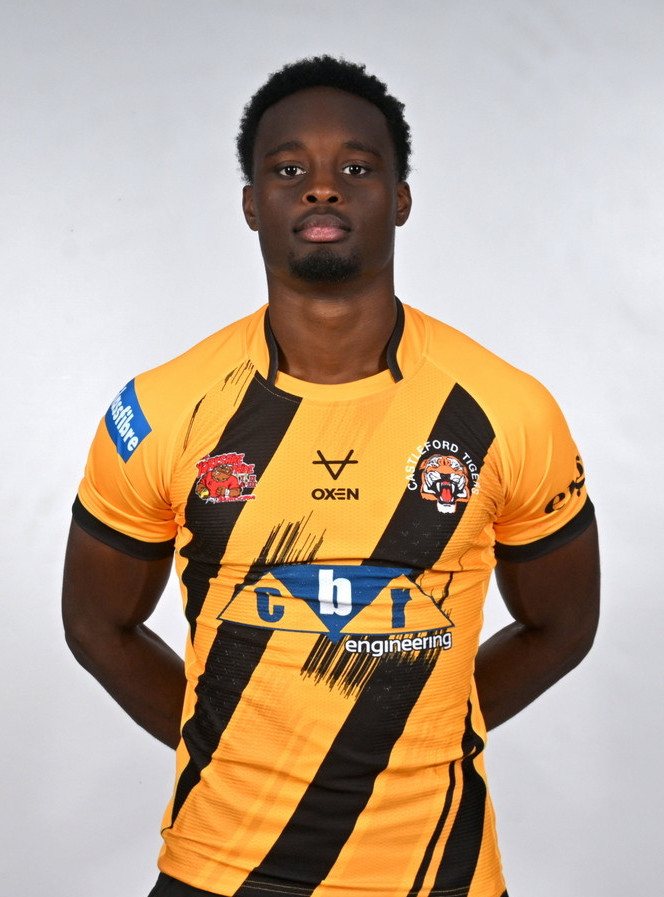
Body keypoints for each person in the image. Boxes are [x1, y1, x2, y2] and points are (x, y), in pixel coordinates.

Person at [62, 56, 600, 897]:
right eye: (289, 170)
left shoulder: (508, 408)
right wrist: (238, 742)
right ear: (251, 204)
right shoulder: (160, 408)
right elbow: (96, 623)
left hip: (437, 874)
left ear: (402, 198)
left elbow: (563, 625)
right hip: (218, 871)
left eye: (356, 167)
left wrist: (413, 727)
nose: (321, 188)